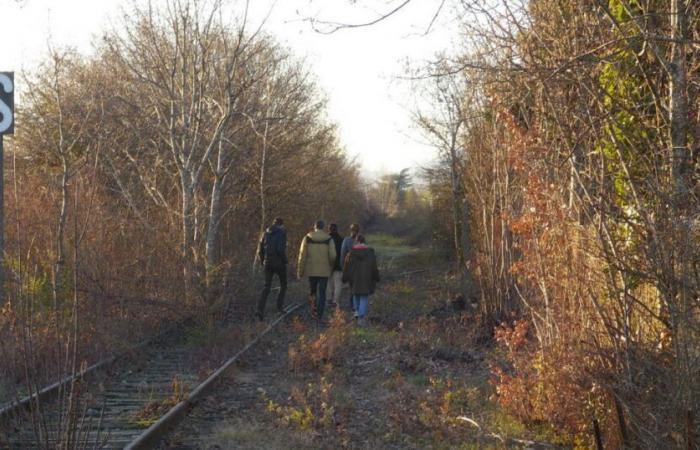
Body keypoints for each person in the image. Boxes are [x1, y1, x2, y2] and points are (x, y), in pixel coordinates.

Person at [297, 220, 337, 322]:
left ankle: (313, 311)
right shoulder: (329, 239)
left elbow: (302, 256)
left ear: (314, 227)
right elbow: (333, 256)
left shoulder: (307, 238)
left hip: (311, 269)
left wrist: (300, 271)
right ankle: (319, 314)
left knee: (313, 291)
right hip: (324, 270)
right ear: (323, 227)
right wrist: (330, 267)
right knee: (322, 293)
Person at [342, 234, 380, 327]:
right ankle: (361, 317)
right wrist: (376, 276)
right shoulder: (370, 253)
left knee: (356, 294)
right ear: (364, 242)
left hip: (354, 278)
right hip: (367, 278)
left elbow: (346, 267)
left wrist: (344, 278)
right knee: (364, 296)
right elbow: (374, 267)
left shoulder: (350, 253)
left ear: (356, 242)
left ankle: (356, 312)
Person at [256, 217, 288, 321]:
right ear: (281, 225)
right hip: (279, 264)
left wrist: (262, 261)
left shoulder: (265, 233)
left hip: (267, 263)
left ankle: (259, 310)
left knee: (266, 287)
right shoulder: (282, 233)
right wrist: (285, 260)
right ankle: (279, 308)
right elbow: (280, 249)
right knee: (283, 285)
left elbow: (260, 250)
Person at [340, 223, 360, 311]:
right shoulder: (361, 239)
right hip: (359, 266)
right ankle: (355, 304)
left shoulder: (346, 240)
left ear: (350, 230)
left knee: (352, 286)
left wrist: (342, 266)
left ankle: (352, 304)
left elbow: (343, 253)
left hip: (350, 266)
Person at [326, 223, 344, 308]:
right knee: (338, 284)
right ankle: (335, 301)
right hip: (338, 265)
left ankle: (328, 299)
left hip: (328, 264)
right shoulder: (341, 239)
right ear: (337, 229)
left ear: (328, 229)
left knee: (328, 283)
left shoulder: (326, 239)